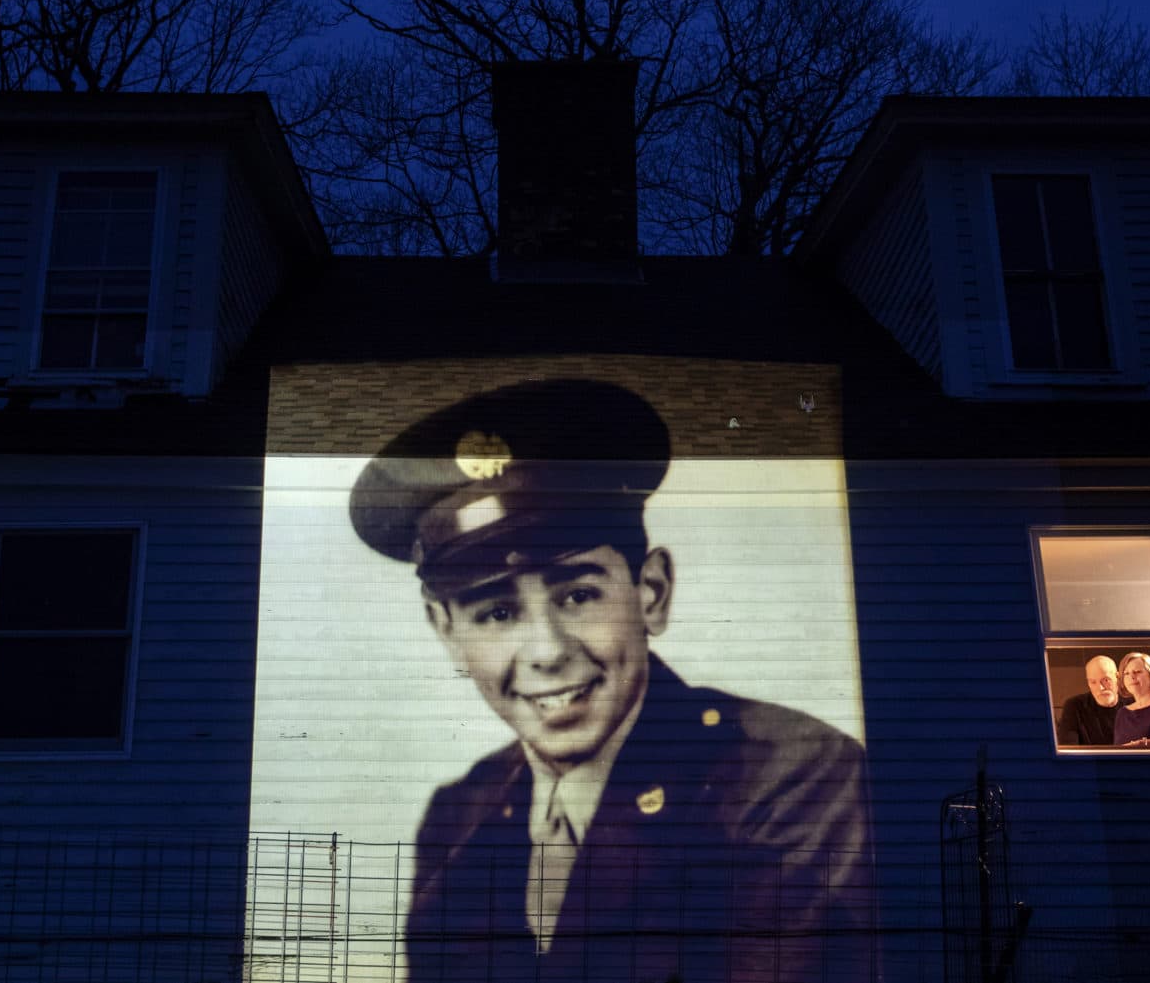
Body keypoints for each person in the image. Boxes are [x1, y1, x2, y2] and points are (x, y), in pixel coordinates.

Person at [349, 379, 876, 983]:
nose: (546, 652)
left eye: (578, 595)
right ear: (447, 631)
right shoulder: (458, 814)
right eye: (495, 613)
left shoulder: (792, 777)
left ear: (651, 592)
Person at [1055, 655, 1120, 746]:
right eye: (1093, 682)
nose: (1100, 688)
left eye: (1105, 680)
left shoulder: (1134, 703)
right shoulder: (1074, 706)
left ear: (1117, 677)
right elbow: (1069, 749)